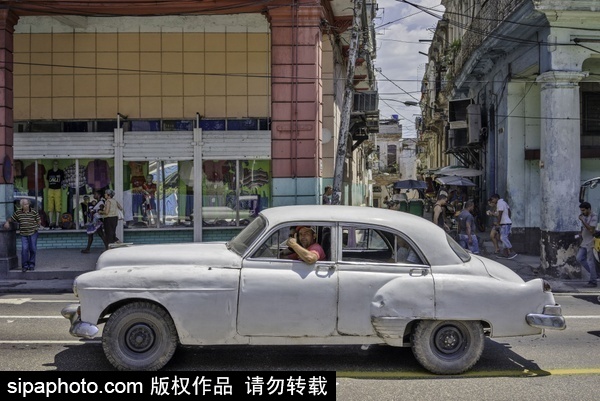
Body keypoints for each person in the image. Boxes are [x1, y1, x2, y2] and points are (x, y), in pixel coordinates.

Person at [4, 198, 41, 272]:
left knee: (33, 249)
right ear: (21, 205)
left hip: (33, 233)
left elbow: (38, 220)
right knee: (24, 249)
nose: (27, 205)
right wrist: (7, 222)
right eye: (25, 204)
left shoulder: (33, 211)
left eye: (27, 204)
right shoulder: (18, 213)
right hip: (23, 234)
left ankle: (31, 264)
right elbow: (11, 219)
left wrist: (37, 226)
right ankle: (25, 265)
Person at [576, 202, 598, 287]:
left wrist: (582, 220)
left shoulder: (594, 216)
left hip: (590, 242)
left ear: (589, 209)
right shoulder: (584, 216)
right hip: (584, 242)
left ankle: (593, 281)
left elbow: (591, 230)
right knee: (579, 258)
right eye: (581, 211)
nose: (582, 212)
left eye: (584, 210)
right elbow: (585, 228)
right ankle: (595, 275)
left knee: (590, 261)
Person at [490, 194, 517, 259]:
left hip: (504, 223)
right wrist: (508, 218)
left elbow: (500, 214)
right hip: (506, 222)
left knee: (503, 238)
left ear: (496, 198)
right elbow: (509, 211)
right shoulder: (504, 203)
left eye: (493, 199)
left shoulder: (500, 203)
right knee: (504, 238)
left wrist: (498, 223)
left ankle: (511, 251)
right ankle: (505, 254)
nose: (492, 201)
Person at [46, 160, 65, 229]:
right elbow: (48, 180)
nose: (55, 165)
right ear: (52, 164)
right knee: (50, 205)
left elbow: (63, 181)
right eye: (54, 164)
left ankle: (57, 222)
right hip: (50, 189)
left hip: (58, 189)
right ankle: (51, 222)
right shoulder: (50, 171)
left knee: (58, 205)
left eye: (57, 164)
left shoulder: (60, 172)